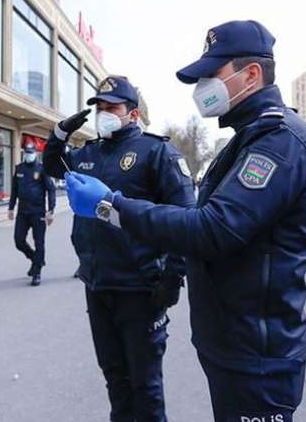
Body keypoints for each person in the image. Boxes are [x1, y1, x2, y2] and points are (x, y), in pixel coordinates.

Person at [64, 21, 306, 422]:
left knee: (144, 389)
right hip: (231, 343)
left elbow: (211, 228)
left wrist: (111, 206)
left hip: (256, 356)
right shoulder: (248, 138)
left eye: (211, 76)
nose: (201, 88)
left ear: (252, 75)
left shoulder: (280, 142)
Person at [43, 75, 195, 422]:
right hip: (98, 285)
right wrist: (59, 134)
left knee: (146, 386)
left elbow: (184, 217)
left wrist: (172, 278)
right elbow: (53, 166)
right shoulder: (89, 152)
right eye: (98, 108)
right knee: (115, 378)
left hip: (140, 289)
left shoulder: (157, 152)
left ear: (133, 113)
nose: (103, 114)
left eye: (112, 107)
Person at [8, 143, 56, 286]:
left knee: (39, 242)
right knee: (19, 240)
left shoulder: (42, 169)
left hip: (38, 212)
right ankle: (36, 259)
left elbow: (51, 190)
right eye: (26, 152)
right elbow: (14, 190)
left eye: (31, 152)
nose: (28, 154)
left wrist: (51, 210)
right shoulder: (19, 169)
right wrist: (10, 208)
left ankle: (37, 273)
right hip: (22, 212)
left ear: (35, 153)